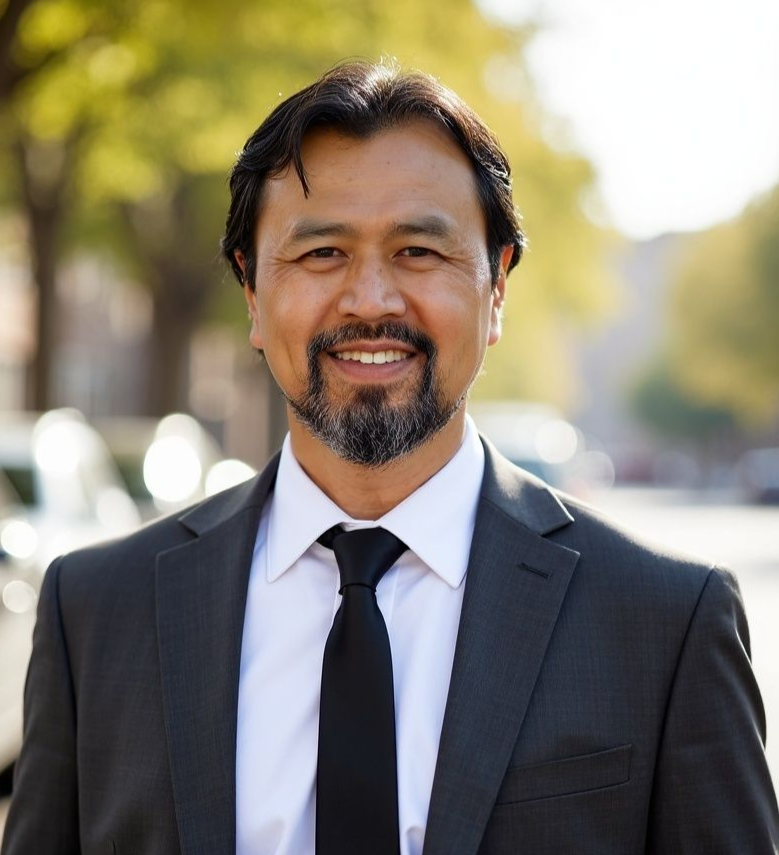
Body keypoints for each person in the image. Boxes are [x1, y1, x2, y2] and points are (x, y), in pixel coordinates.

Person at [2, 60, 778, 855]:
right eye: (320, 253)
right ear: (251, 293)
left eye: (417, 251)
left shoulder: (664, 622)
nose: (370, 300)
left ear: (497, 287)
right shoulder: (94, 614)